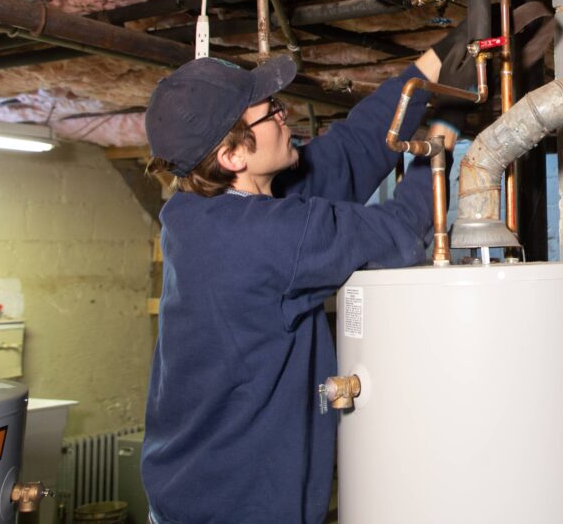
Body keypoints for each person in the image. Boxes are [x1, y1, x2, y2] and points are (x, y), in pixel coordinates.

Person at [140, 28, 475, 524]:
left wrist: (434, 66)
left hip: (188, 489)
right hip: (236, 506)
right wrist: (443, 135)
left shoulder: (199, 209)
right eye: (270, 112)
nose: (284, 115)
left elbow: (351, 150)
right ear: (233, 155)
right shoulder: (264, 240)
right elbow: (400, 230)